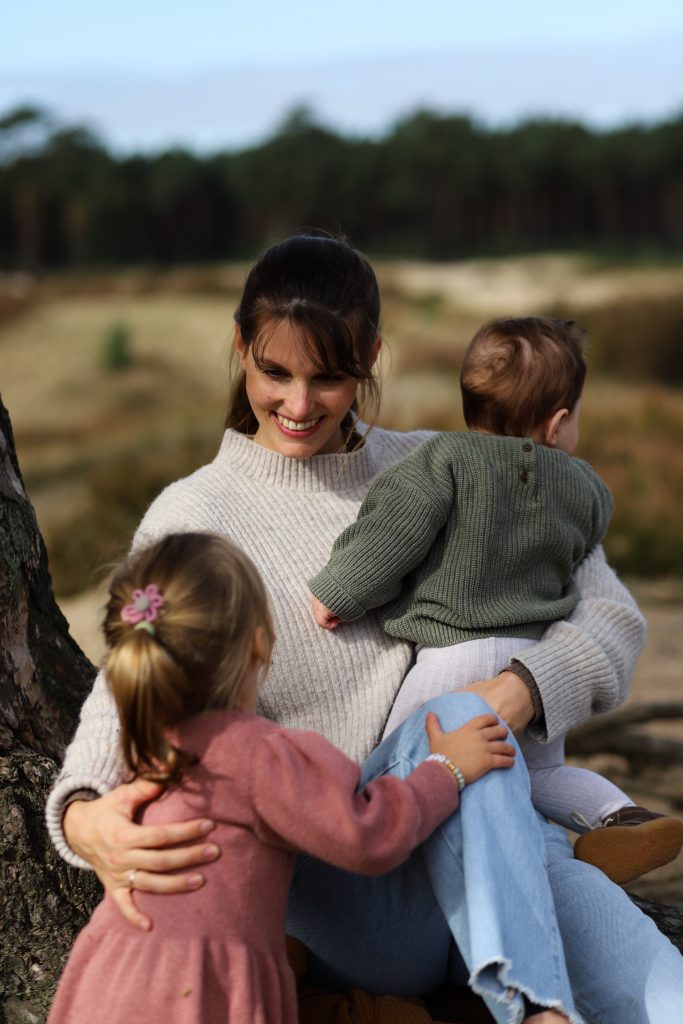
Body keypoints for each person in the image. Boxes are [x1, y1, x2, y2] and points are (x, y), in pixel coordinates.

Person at [46, 234, 683, 1024]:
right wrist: (83, 816)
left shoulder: (446, 465)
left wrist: (522, 689)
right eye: (274, 372)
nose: (299, 404)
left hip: (502, 848)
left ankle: (526, 982)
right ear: (239, 346)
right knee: (454, 717)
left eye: (331, 377)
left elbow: (611, 612)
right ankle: (531, 1006)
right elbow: (127, 694)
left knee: (664, 994)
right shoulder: (194, 517)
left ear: (370, 357)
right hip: (350, 881)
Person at [48, 531, 519, 1024]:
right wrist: (445, 771)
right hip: (206, 990)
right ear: (258, 643)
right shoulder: (261, 753)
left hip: (109, 976)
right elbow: (369, 834)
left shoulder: (145, 745)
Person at [309, 315, 683, 886]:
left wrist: (341, 593)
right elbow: (585, 554)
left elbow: (394, 534)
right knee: (535, 777)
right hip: (532, 667)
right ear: (558, 423)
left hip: (451, 660)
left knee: (394, 767)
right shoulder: (585, 489)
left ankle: (355, 891)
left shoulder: (442, 462)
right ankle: (619, 816)